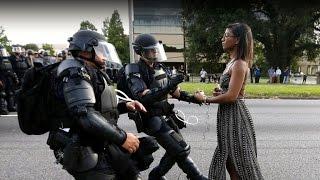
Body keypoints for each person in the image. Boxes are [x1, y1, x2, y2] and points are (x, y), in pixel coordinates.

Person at [45, 30, 153, 180]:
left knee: (131, 173)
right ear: (85, 51)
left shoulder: (92, 71)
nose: (104, 55)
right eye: (100, 50)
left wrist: (124, 105)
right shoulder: (74, 74)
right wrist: (122, 138)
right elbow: (85, 115)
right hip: (81, 147)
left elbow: (98, 107)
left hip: (99, 139)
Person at [119, 34, 207, 180]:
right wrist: (169, 85)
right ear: (140, 52)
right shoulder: (133, 69)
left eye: (156, 50)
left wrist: (194, 98)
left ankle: (157, 176)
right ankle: (194, 177)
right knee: (181, 149)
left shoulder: (160, 67)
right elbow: (144, 97)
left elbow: (176, 92)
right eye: (151, 50)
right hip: (151, 118)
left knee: (177, 149)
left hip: (166, 114)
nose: (155, 52)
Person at [202, 23, 264, 179]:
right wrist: (220, 92)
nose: (222, 39)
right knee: (230, 161)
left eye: (226, 35)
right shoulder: (232, 62)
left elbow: (232, 96)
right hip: (228, 116)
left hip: (235, 117)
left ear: (237, 40)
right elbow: (229, 92)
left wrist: (206, 99)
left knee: (240, 163)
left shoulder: (239, 64)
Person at [0, 45, 19, 114]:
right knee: (2, 94)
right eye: (1, 51)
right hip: (2, 78)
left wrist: (15, 77)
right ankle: (2, 109)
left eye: (3, 51)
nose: (2, 53)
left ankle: (10, 107)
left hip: (9, 78)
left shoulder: (7, 59)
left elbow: (11, 69)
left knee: (10, 93)